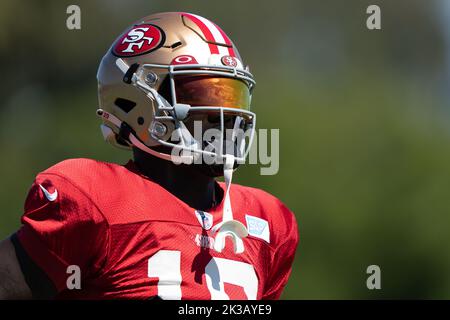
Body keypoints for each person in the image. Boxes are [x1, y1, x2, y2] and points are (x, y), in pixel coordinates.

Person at [0, 12, 298, 300]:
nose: (229, 118)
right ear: (136, 101)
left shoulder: (268, 222)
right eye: (202, 94)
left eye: (232, 96)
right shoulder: (95, 200)